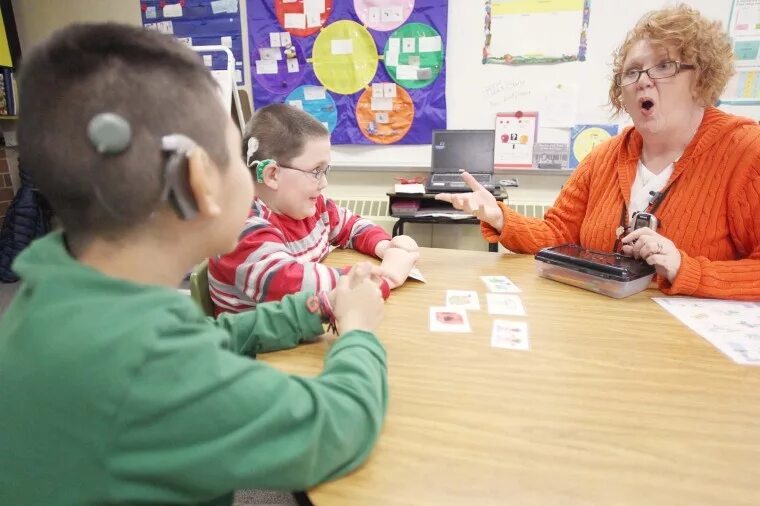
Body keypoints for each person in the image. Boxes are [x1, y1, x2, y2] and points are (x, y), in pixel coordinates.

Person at [0, 23, 390, 505]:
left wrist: (309, 309)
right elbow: (340, 427)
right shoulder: (148, 369)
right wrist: (357, 331)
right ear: (195, 181)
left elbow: (205, 339)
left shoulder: (63, 289)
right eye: (238, 161)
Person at [437, 5, 760, 301]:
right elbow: (557, 235)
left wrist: (685, 269)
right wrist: (499, 216)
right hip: (602, 326)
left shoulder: (747, 150)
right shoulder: (603, 157)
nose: (643, 81)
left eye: (665, 66)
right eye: (632, 72)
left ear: (701, 78)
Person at [208, 103, 419, 315]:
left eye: (325, 170)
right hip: (255, 346)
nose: (324, 182)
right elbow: (291, 282)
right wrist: (383, 277)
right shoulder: (240, 226)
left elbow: (350, 224)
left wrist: (386, 247)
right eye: (316, 170)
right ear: (272, 174)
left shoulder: (310, 207)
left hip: (298, 334)